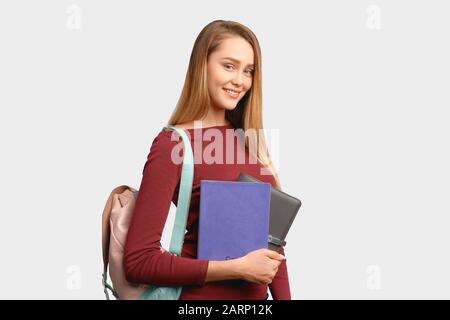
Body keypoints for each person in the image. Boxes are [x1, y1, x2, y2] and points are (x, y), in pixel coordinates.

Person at [124, 20, 291, 300]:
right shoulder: (173, 145)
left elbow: (272, 248)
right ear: (202, 65)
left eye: (248, 71)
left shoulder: (250, 141)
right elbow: (139, 261)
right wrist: (235, 269)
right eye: (229, 65)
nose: (240, 80)